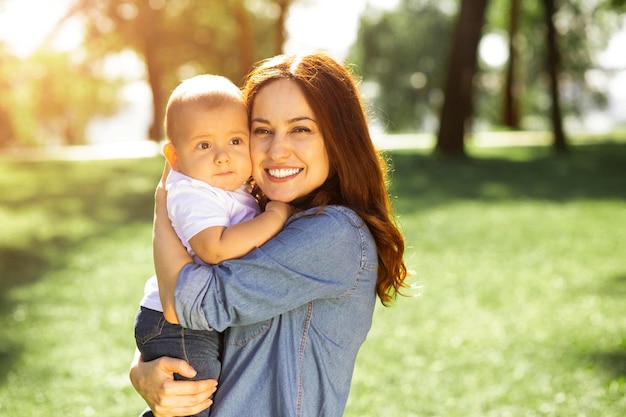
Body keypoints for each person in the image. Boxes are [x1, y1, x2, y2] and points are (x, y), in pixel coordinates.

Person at [130, 53, 408, 417]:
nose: (277, 150)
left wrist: (163, 203)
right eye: (262, 130)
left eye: (301, 129)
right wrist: (142, 370)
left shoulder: (334, 234)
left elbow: (188, 303)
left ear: (338, 138)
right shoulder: (260, 216)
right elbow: (178, 318)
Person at [134, 74, 292, 417]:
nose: (223, 157)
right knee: (193, 401)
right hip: (176, 324)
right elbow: (214, 248)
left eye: (236, 141)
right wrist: (273, 218)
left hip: (191, 317)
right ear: (174, 156)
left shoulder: (225, 187)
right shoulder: (192, 192)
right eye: (204, 145)